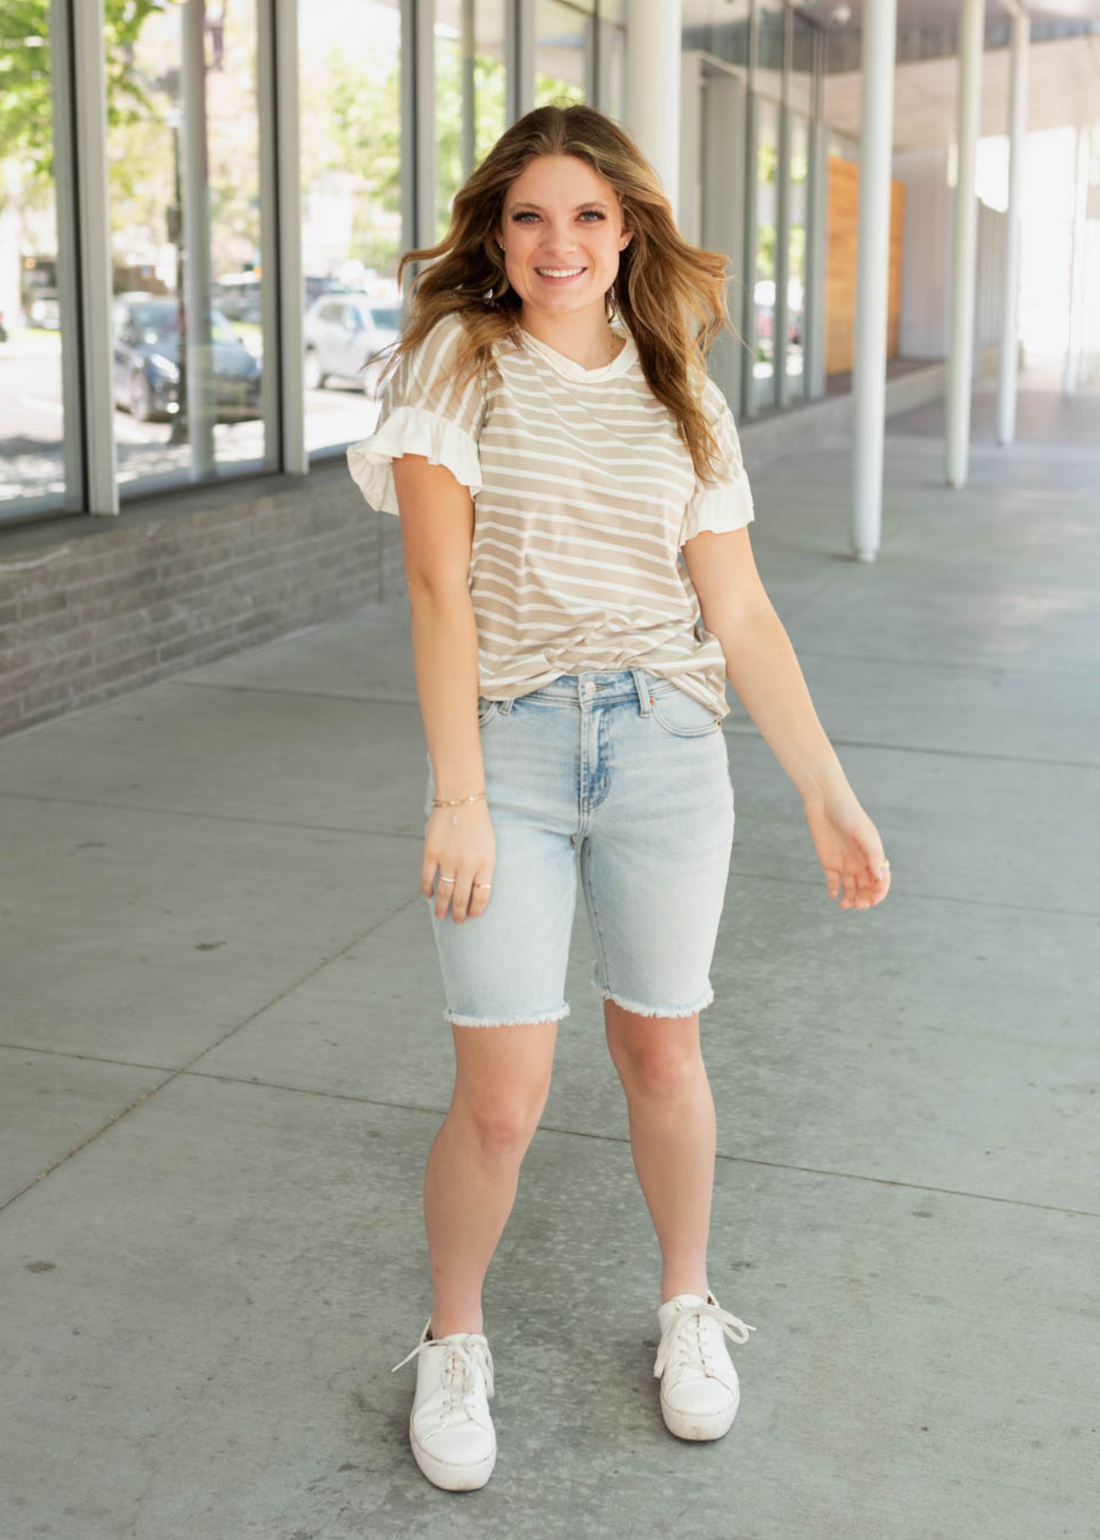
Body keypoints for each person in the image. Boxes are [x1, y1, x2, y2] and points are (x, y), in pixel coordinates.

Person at [347, 103, 891, 1493]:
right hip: (512, 751)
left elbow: (742, 612)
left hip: (666, 750)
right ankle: (454, 1339)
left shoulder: (680, 388)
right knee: (504, 1095)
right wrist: (458, 797)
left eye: (588, 214)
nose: (559, 242)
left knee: (666, 1056)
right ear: (495, 233)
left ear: (630, 229)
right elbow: (436, 591)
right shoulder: (456, 363)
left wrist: (826, 790)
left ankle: (688, 1308)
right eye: (530, 215)